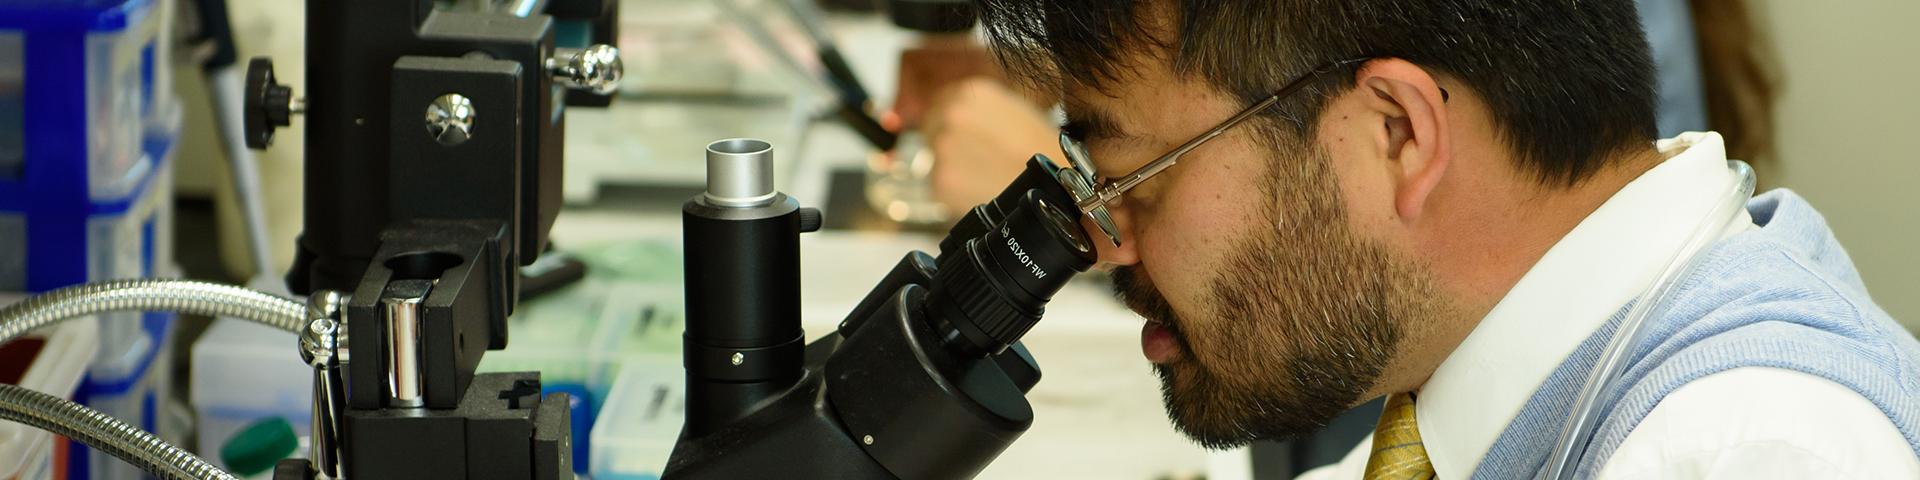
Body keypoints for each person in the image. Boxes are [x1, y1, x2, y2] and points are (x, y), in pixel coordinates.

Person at [935, 0, 1920, 478]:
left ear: (1397, 133)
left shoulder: (1745, 453)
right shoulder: (1481, 369)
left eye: (1130, 181)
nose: (1108, 245)